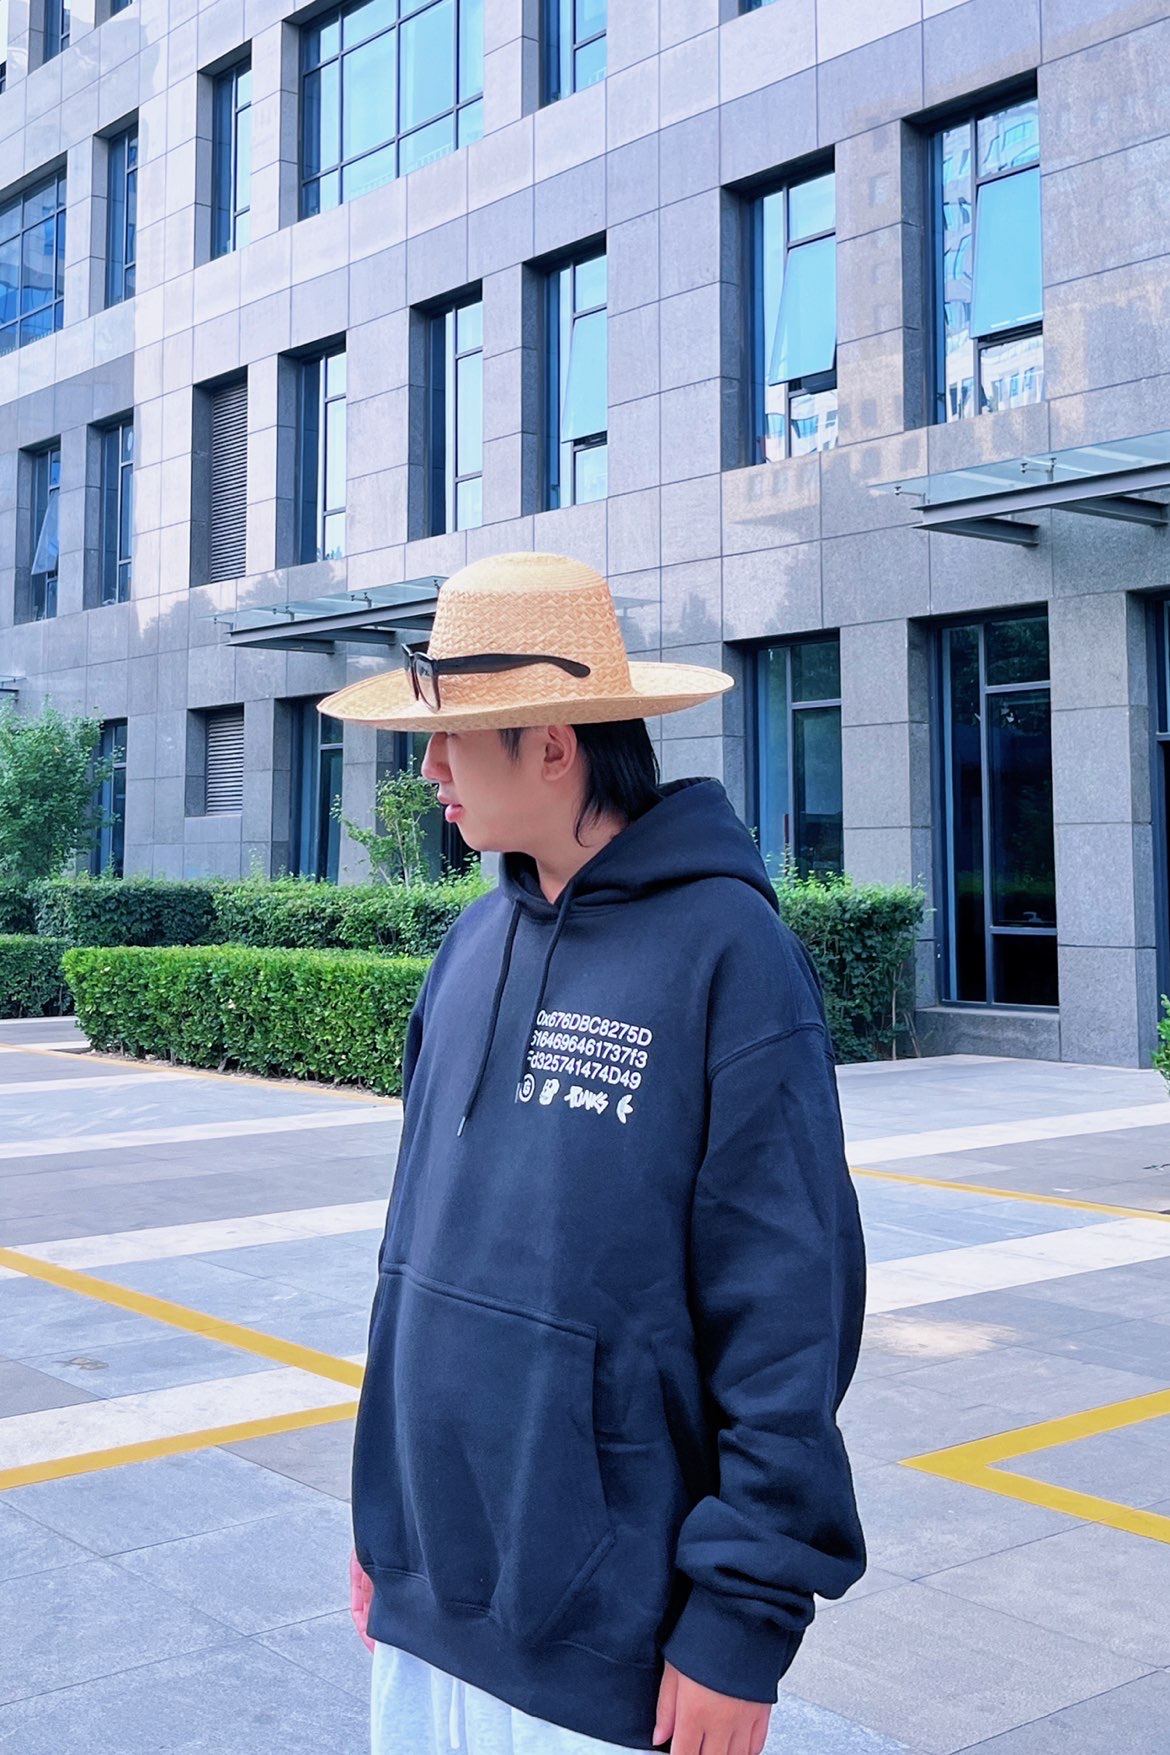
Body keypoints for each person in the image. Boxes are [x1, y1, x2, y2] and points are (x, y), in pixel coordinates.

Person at [319, 552, 867, 1755]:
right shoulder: (470, 945)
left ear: (554, 746)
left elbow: (788, 1312)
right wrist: (385, 1529)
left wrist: (740, 1623)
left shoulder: (730, 954)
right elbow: (412, 1259)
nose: (428, 768)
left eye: (453, 737)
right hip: (425, 1607)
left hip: (613, 1642)